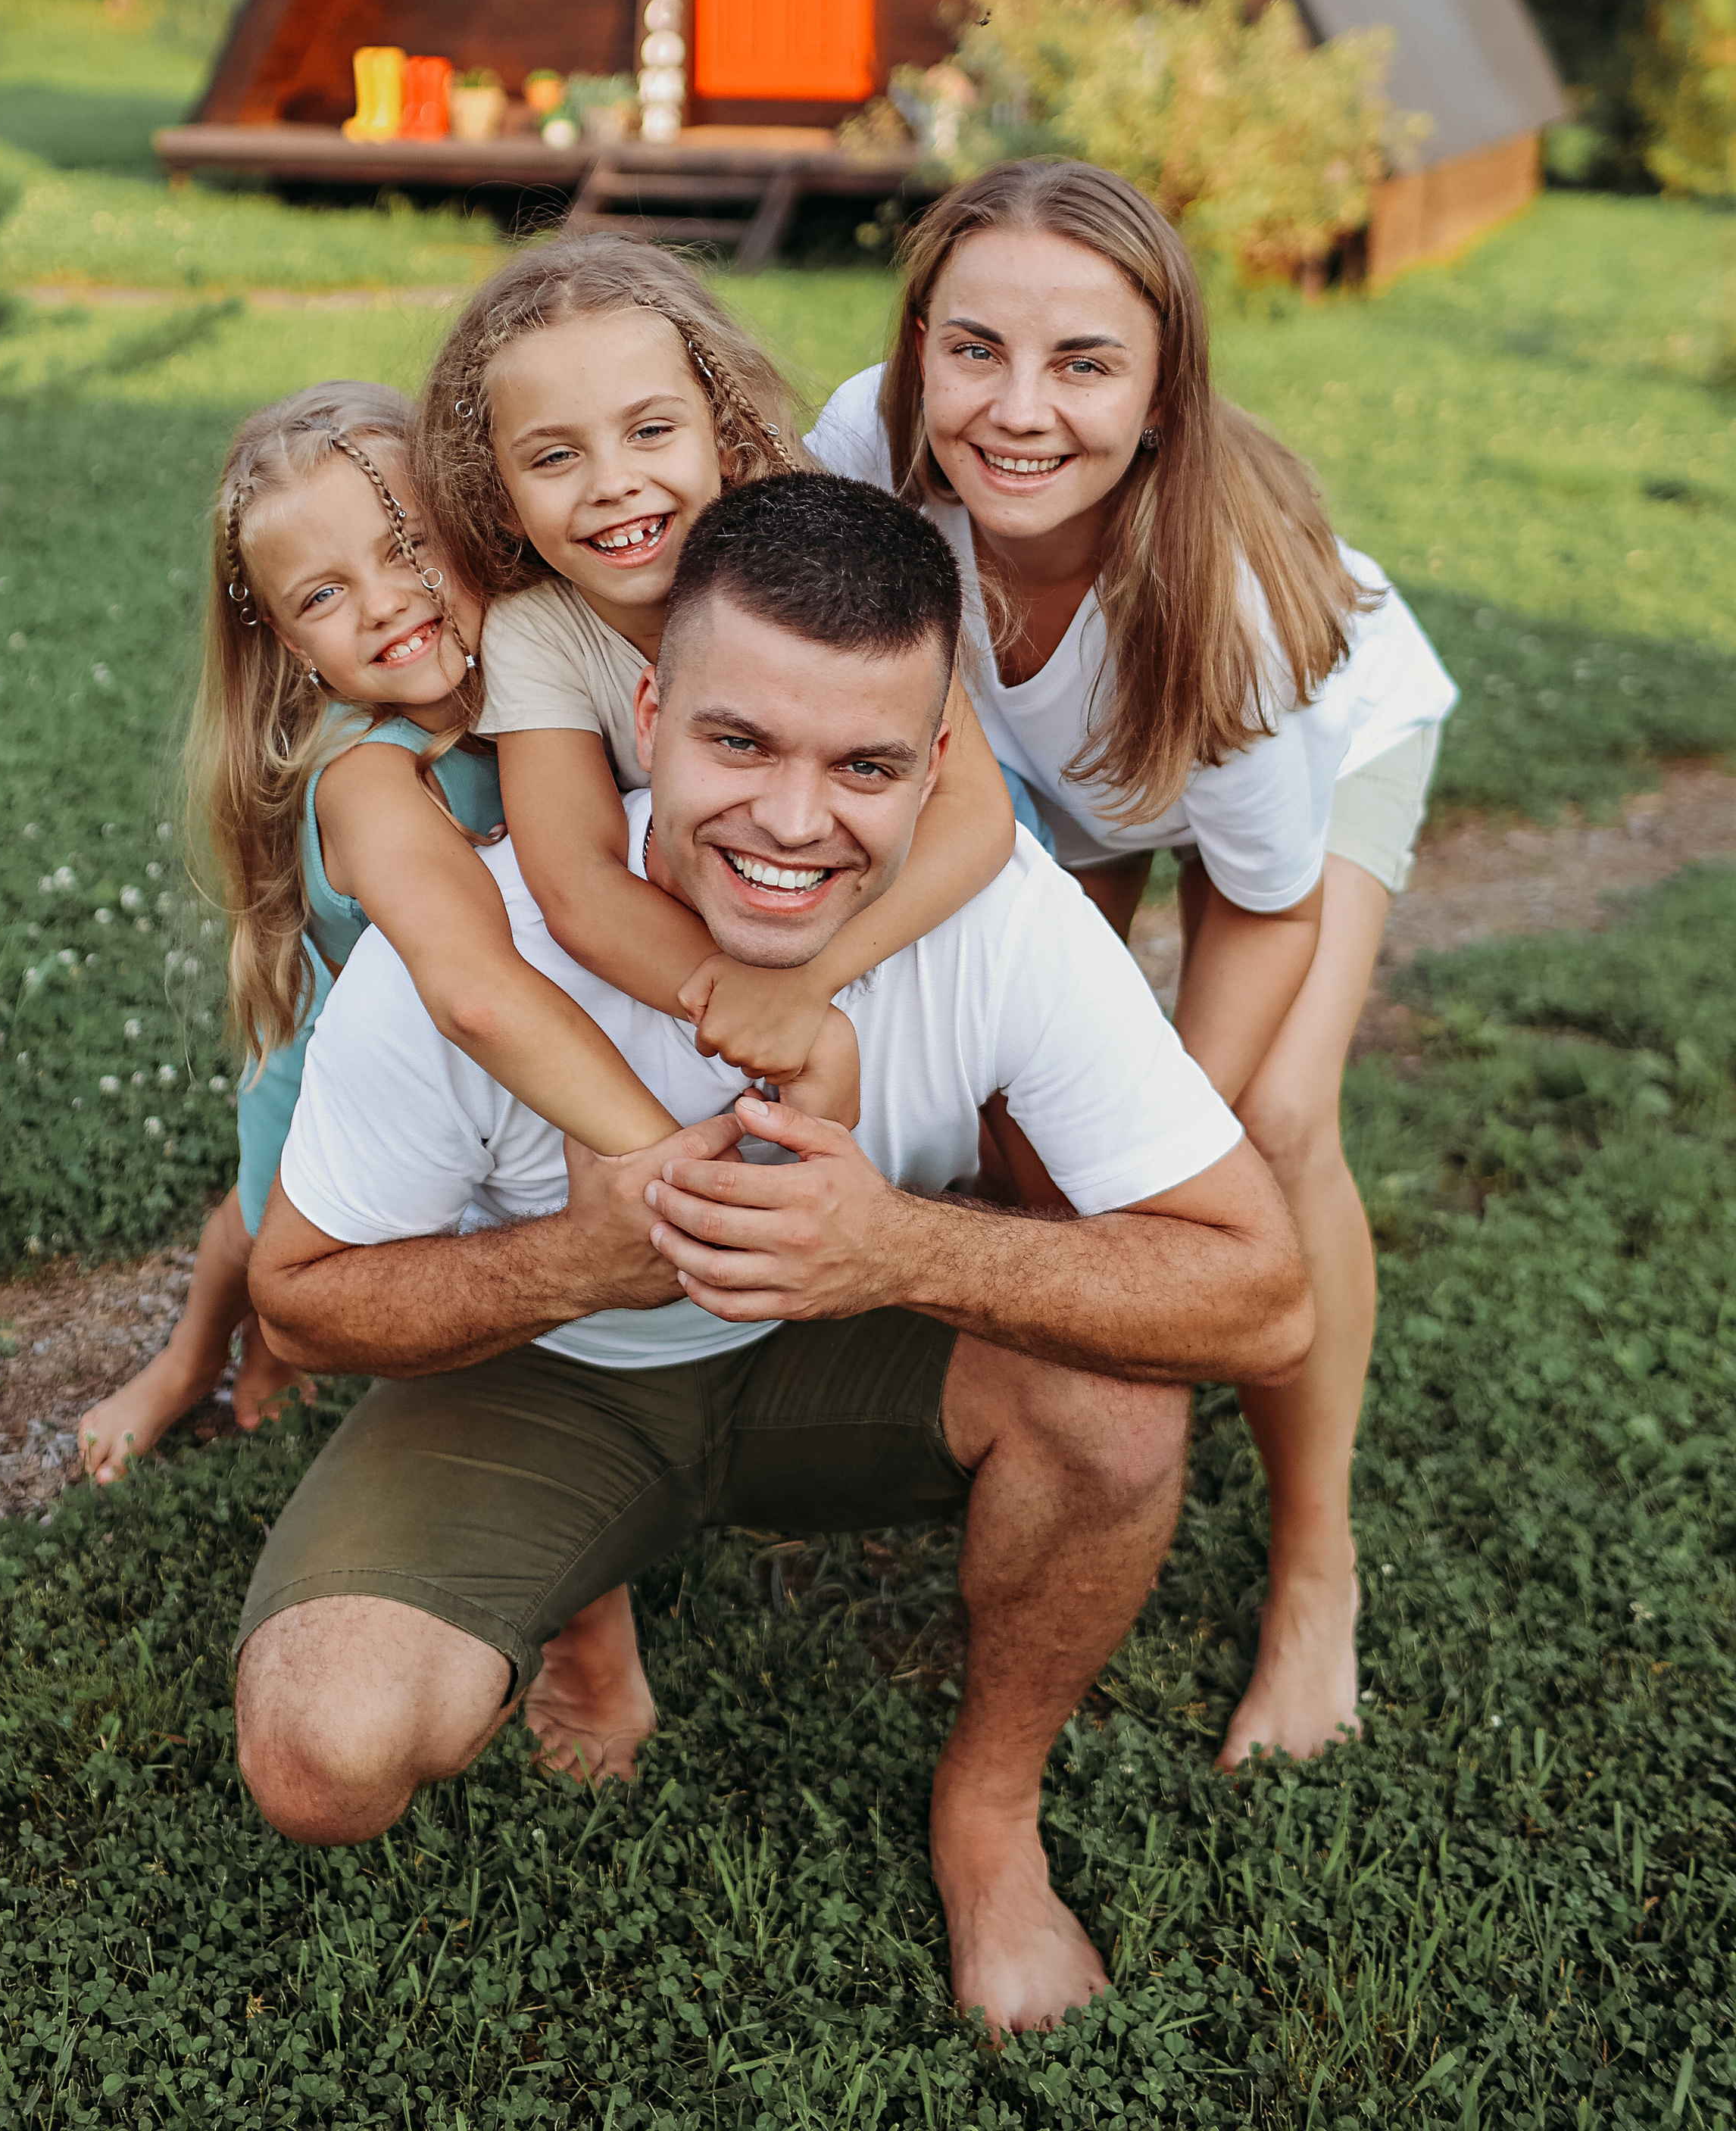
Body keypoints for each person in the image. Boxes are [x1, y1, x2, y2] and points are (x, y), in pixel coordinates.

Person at [233, 475, 1313, 2036]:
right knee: (321, 1754)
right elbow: (298, 1302)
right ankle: (585, 1611)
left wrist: (892, 1248)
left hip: (842, 1346)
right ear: (650, 714)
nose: (794, 824)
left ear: (936, 764)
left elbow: (1261, 1297)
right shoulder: (486, 929)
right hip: (549, 1373)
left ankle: (988, 1817)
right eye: (738, 744)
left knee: (1115, 1397)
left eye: (864, 765)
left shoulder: (1002, 920)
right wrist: (572, 1266)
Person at [805, 160, 1457, 1770]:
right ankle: (1025, 1422)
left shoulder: (1227, 610)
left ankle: (1314, 1565)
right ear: (916, 346)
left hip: (1305, 751)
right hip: (1064, 774)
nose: (1017, 410)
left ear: (1163, 396)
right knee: (1019, 1102)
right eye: (974, 348)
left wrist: (1173, 1164)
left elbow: (1267, 903)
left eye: (1083, 363)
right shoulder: (863, 449)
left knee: (1268, 1132)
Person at [76, 381, 682, 1487]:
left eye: (408, 546)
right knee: (264, 1219)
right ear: (287, 642)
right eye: (322, 595)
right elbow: (474, 991)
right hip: (336, 1046)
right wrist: (660, 1159)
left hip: (490, 1048)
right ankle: (191, 1359)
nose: (384, 604)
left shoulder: (545, 674)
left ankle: (255, 1350)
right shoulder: (370, 779)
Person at [417, 233, 1014, 1109]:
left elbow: (978, 814)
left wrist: (801, 991)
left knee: (1002, 1078)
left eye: (651, 431)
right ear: (500, 498)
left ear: (725, 439)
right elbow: (579, 884)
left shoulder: (814, 560)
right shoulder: (538, 632)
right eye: (554, 456)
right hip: (724, 922)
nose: (613, 482)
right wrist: (738, 997)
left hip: (902, 892)